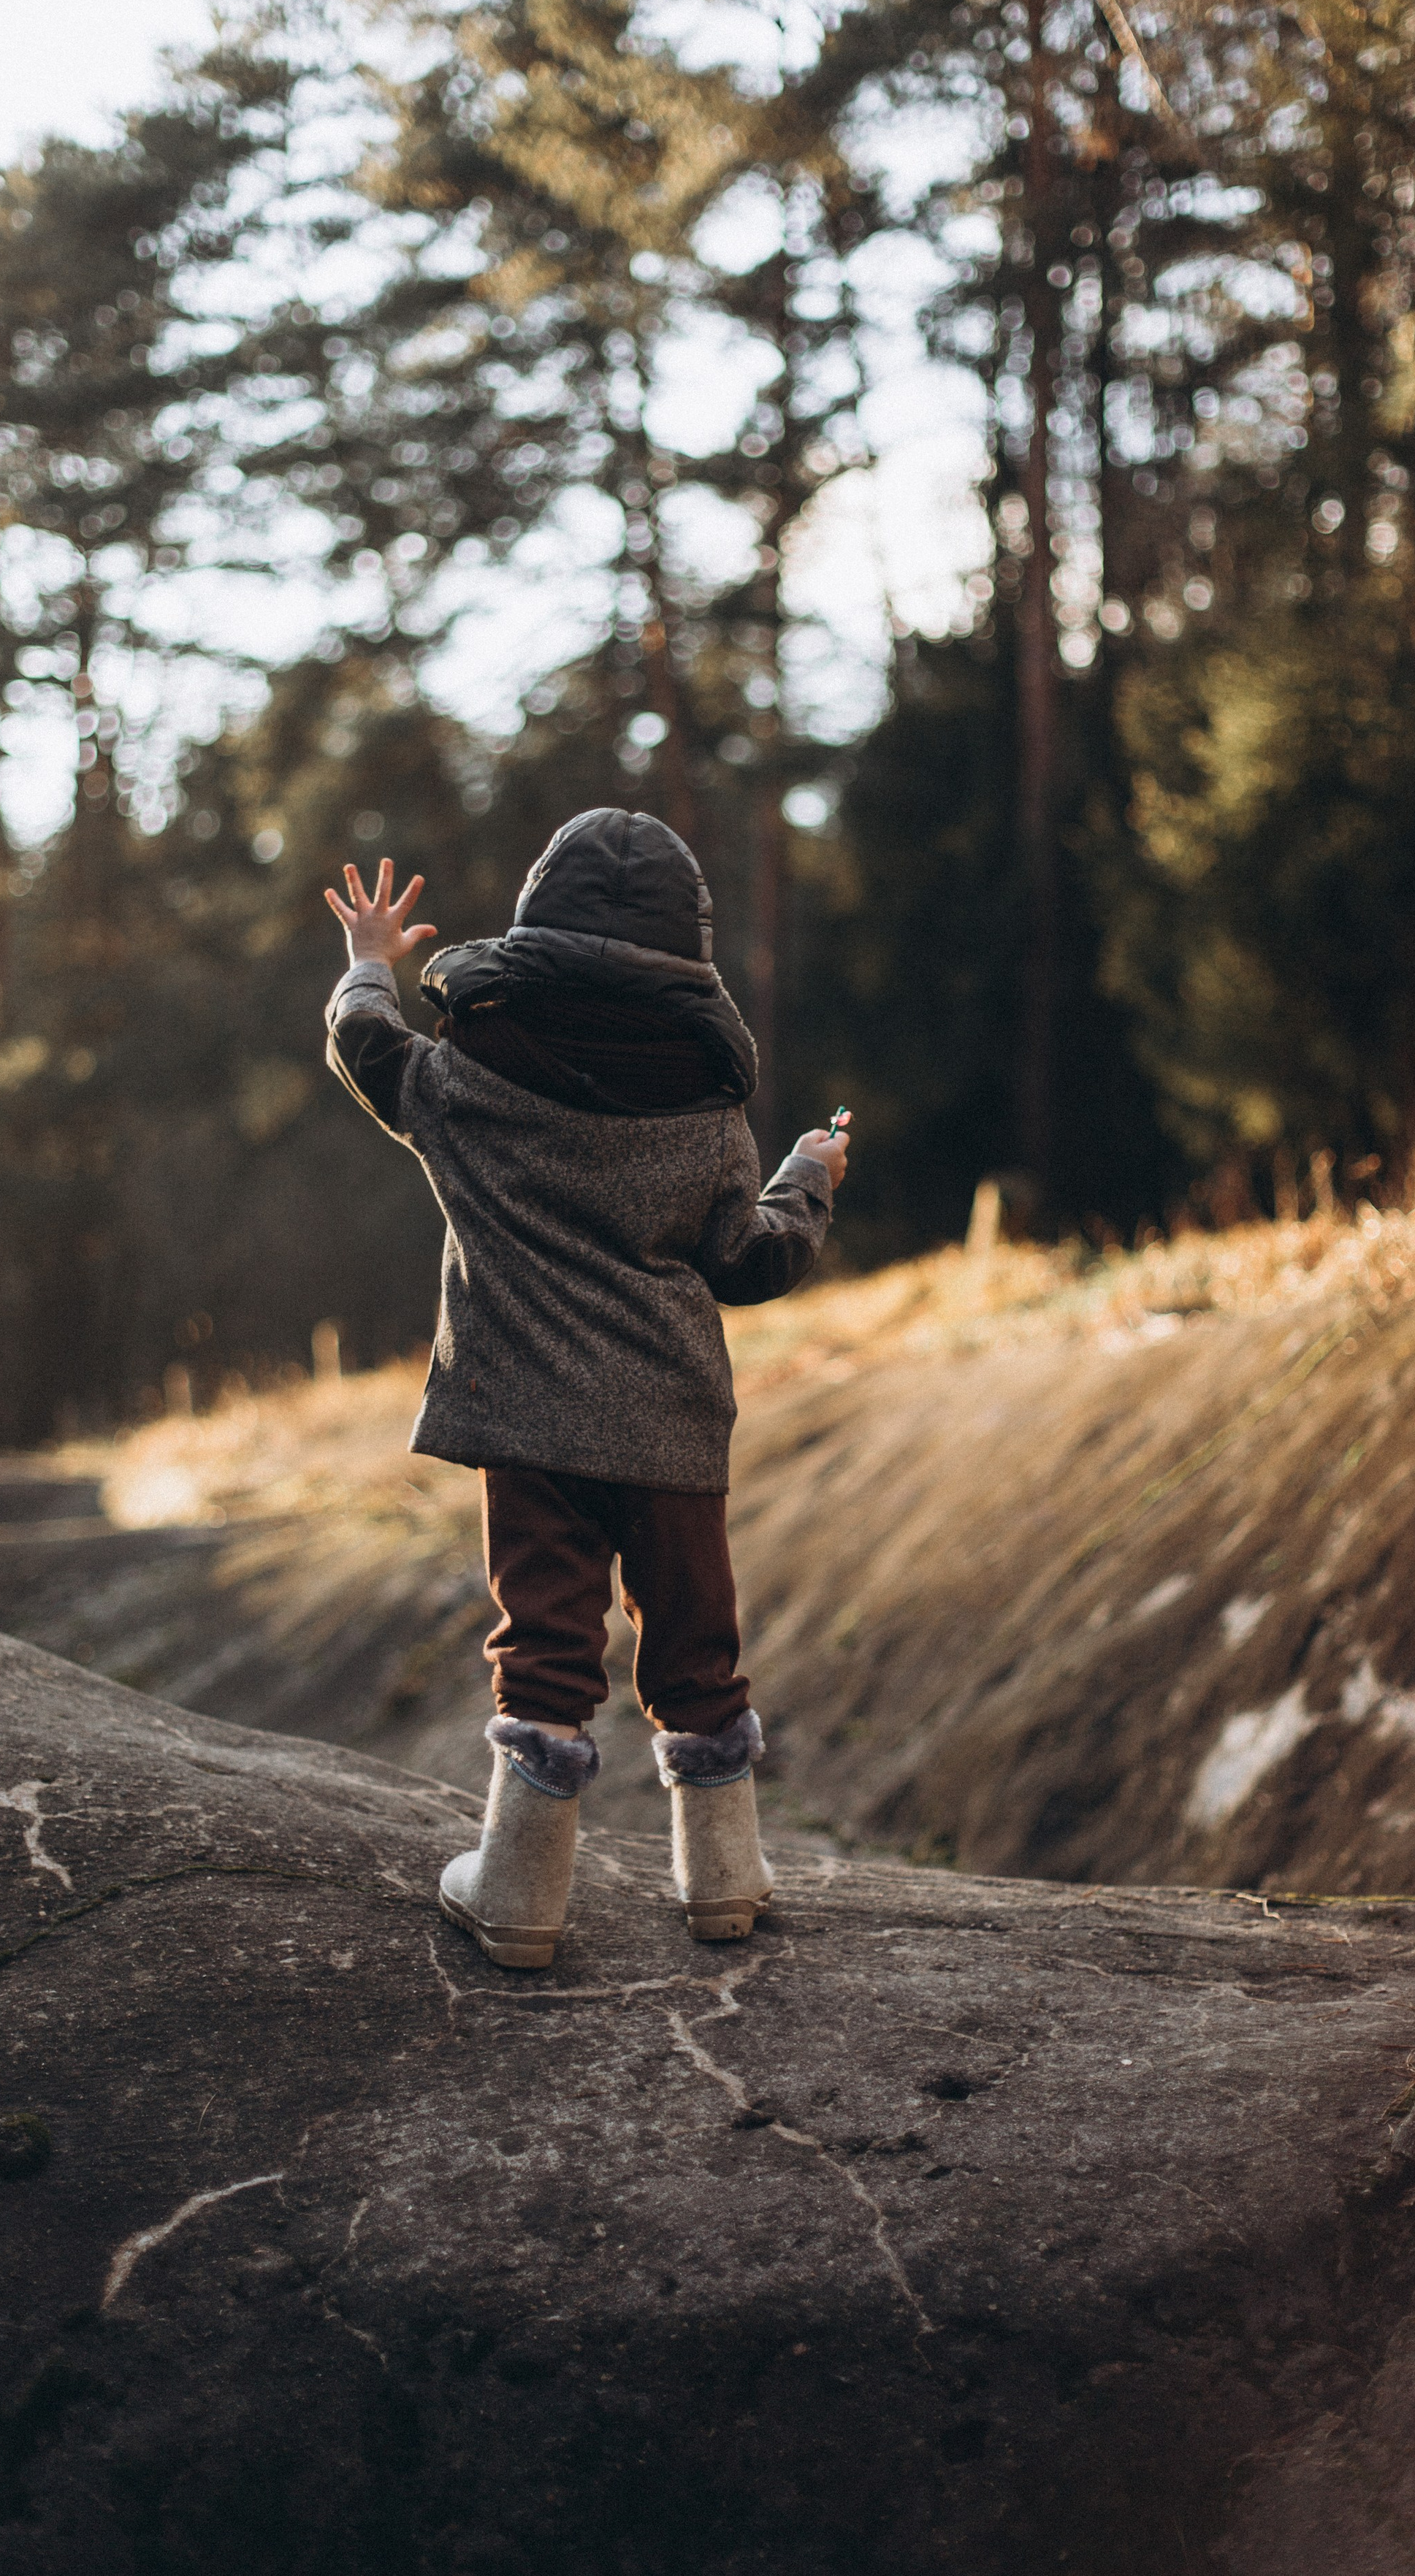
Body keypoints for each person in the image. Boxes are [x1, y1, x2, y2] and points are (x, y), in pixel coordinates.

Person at [323, 808, 849, 1971]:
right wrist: (806, 1177)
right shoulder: (711, 1115)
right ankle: (722, 1883)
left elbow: (366, 1044)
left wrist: (370, 963)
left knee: (547, 1647)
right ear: (690, 956)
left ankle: (518, 1892)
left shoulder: (461, 1082)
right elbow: (749, 1260)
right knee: (698, 1649)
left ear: (530, 926)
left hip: (527, 1417)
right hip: (669, 1423)